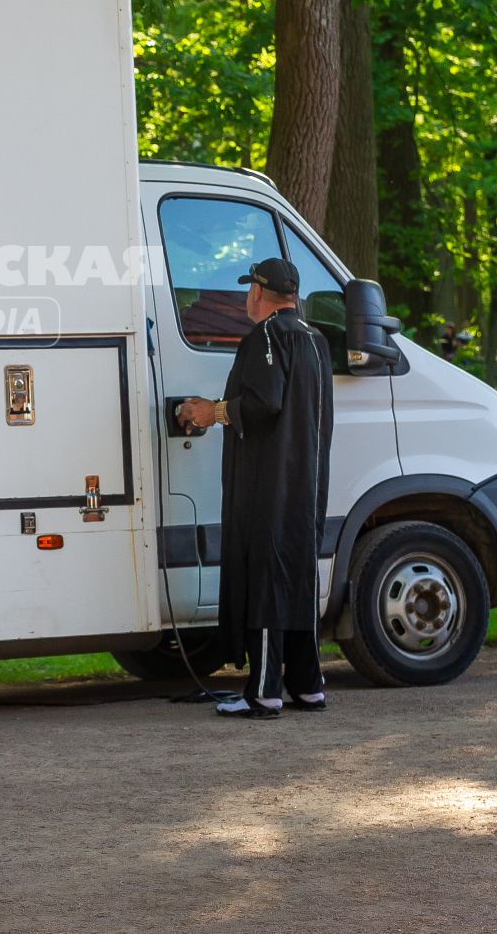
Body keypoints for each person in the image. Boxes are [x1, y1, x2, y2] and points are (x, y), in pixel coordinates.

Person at [178, 256, 334, 719]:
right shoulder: (315, 339)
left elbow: (265, 403)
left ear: (259, 294)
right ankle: (308, 685)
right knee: (298, 570)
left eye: (250, 290)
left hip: (269, 480)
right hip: (307, 479)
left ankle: (264, 690)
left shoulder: (267, 336)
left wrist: (214, 412)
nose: (248, 297)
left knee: (266, 573)